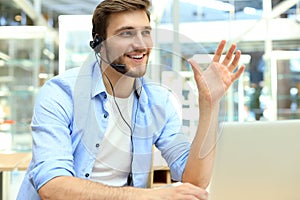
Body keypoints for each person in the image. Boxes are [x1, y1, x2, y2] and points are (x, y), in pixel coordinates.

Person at [17, 0, 245, 199]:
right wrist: (148, 197)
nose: (141, 44)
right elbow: (53, 188)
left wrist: (209, 104)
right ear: (99, 43)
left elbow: (194, 181)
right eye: (126, 33)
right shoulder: (61, 93)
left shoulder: (158, 102)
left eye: (146, 32)